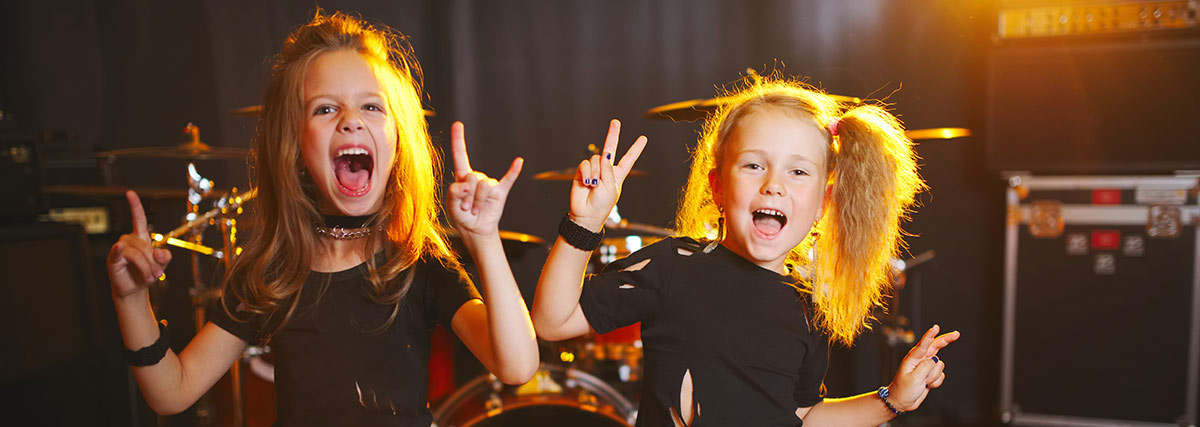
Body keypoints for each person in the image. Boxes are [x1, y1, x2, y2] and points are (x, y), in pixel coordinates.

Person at [106, 12, 538, 426]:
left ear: (397, 140)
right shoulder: (272, 272)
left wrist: (484, 239)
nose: (351, 121)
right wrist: (130, 300)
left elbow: (517, 366)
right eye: (325, 109)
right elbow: (171, 392)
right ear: (295, 144)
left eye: (371, 107)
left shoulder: (418, 262)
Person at [532, 78, 960, 426]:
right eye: (754, 165)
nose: (773, 183)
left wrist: (893, 400)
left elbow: (804, 417)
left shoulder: (806, 306)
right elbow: (551, 323)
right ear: (718, 187)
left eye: (797, 171)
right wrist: (584, 225)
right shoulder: (670, 267)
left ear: (822, 204)